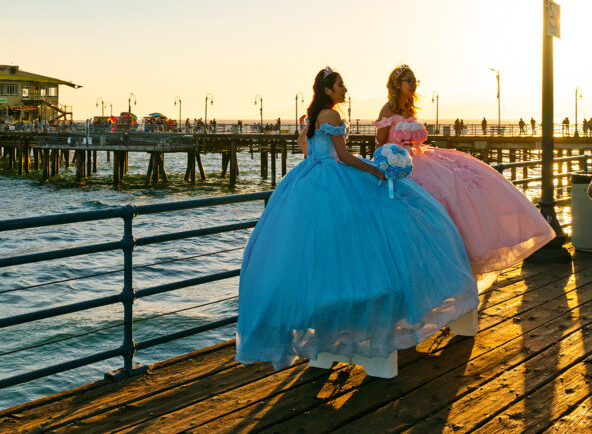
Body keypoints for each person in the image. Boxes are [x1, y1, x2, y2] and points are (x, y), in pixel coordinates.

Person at [237, 68, 477, 377]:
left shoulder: (314, 115)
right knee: (362, 241)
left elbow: (303, 145)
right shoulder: (332, 115)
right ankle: (365, 320)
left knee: (318, 251)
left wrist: (319, 156)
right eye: (340, 85)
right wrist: (374, 169)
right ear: (328, 90)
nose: (345, 89)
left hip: (309, 176)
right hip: (331, 175)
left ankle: (325, 327)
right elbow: (343, 156)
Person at [375, 64, 554, 289]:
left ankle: (467, 250)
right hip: (401, 164)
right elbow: (379, 143)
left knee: (461, 182)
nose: (413, 85)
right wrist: (387, 164)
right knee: (436, 197)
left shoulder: (409, 109)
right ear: (396, 84)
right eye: (408, 81)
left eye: (415, 81)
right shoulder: (388, 109)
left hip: (419, 158)